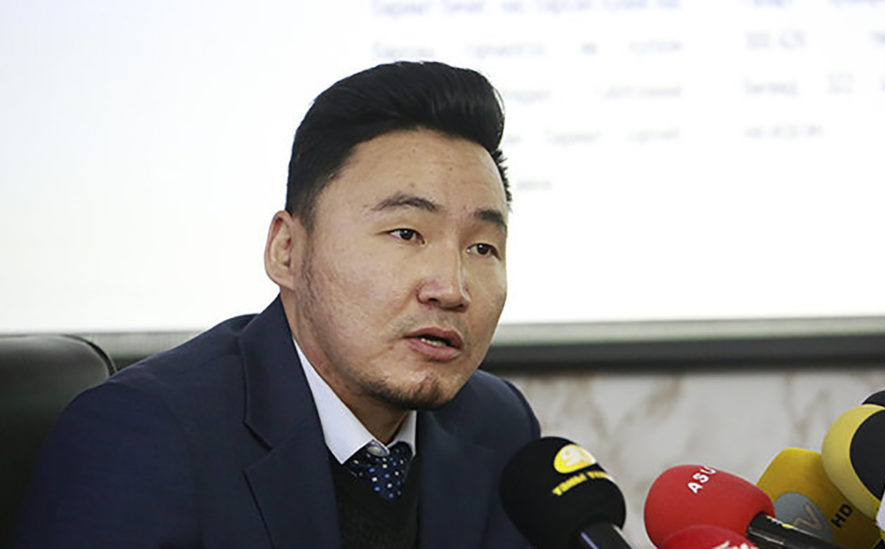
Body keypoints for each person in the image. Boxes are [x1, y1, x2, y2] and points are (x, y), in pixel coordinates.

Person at [15, 61, 540, 548]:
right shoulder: (145, 438)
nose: (452, 288)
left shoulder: (495, 424)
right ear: (287, 250)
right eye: (406, 233)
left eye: (482, 248)